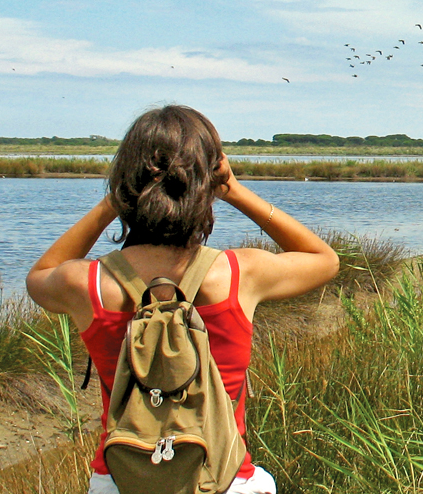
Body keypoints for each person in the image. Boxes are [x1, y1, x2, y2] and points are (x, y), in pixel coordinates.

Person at [26, 105, 339, 494]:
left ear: (127, 182)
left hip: (121, 480)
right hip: (224, 480)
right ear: (208, 179)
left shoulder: (88, 283)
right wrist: (236, 192)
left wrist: (113, 201)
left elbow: (38, 276)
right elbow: (324, 259)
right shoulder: (238, 274)